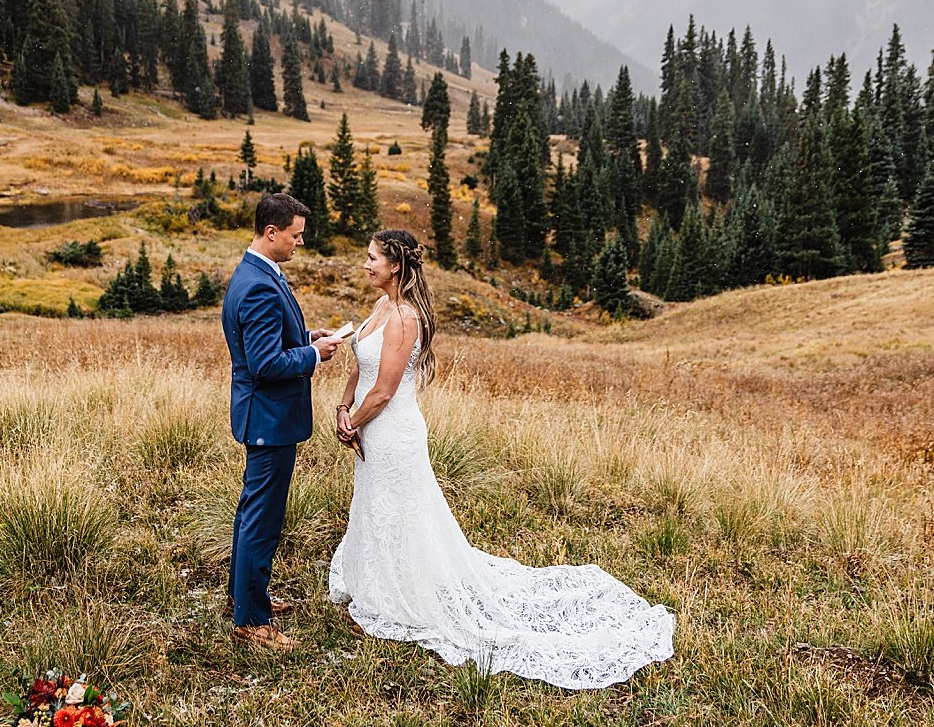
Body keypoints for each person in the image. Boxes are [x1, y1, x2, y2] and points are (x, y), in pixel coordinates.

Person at [329, 228, 676, 688]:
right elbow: (359, 366)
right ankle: (378, 582)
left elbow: (387, 389)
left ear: (396, 266)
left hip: (392, 431)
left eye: (373, 258)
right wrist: (341, 407)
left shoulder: (405, 318)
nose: (366, 264)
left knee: (404, 513)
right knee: (376, 507)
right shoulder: (378, 307)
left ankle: (409, 595)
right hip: (368, 427)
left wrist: (353, 421)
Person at [220, 192, 341, 651]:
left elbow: (269, 341)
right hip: (268, 418)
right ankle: (251, 620)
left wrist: (307, 336)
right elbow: (267, 363)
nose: (300, 243)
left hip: (267, 417)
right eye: (296, 235)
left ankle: (246, 596)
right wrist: (314, 354)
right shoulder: (256, 286)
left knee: (254, 510)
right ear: (271, 232)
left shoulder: (258, 273)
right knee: (262, 518)